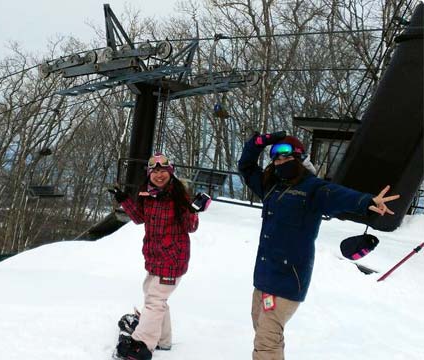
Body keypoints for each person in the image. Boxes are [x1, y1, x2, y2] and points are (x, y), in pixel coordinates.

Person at [238, 132, 400, 360]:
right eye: (276, 158)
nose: (280, 162)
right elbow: (246, 167)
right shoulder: (271, 188)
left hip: (288, 278)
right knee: (266, 334)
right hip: (264, 277)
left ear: (299, 158)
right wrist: (259, 142)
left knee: (265, 341)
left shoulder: (313, 189)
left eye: (286, 157)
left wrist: (367, 201)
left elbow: (340, 196)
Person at [109, 152, 207, 360]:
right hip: (154, 258)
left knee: (155, 300)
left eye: (163, 171)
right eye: (154, 171)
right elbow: (139, 218)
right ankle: (163, 339)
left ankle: (141, 345)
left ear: (170, 173)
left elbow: (191, 227)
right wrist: (124, 199)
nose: (159, 175)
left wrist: (193, 210)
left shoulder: (179, 197)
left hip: (172, 260)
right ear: (149, 174)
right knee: (152, 295)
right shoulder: (149, 194)